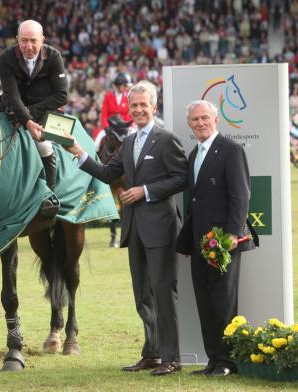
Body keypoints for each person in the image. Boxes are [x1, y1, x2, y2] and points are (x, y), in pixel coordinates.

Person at [65, 80, 188, 376]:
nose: (138, 110)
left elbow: (182, 178)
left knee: (162, 292)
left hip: (161, 230)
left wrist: (145, 191)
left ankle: (172, 357)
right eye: (134, 105)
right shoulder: (130, 142)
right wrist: (80, 153)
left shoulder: (167, 139)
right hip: (134, 230)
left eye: (143, 104)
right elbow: (107, 173)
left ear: (154, 106)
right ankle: (153, 353)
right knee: (143, 296)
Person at [176, 100, 256, 377]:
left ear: (216, 120)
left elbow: (241, 195)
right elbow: (195, 203)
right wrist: (187, 242)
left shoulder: (231, 150)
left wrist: (234, 234)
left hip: (224, 241)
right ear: (189, 125)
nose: (200, 123)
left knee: (223, 302)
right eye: (195, 119)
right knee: (205, 302)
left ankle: (227, 362)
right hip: (200, 243)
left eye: (204, 118)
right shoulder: (193, 154)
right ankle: (213, 360)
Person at [0, 19, 68, 191]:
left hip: (46, 113)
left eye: (33, 41)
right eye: (24, 41)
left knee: (44, 146)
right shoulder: (5, 58)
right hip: (13, 109)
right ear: (17, 39)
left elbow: (62, 96)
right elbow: (12, 96)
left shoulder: (54, 56)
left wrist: (30, 112)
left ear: (42, 40)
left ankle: (51, 193)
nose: (29, 46)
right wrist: (27, 119)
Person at [95, 72, 133, 151]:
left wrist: (130, 126)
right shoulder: (108, 96)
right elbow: (104, 115)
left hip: (125, 127)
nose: (127, 88)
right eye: (125, 85)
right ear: (118, 85)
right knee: (96, 144)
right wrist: (106, 127)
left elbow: (130, 115)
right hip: (111, 127)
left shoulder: (128, 97)